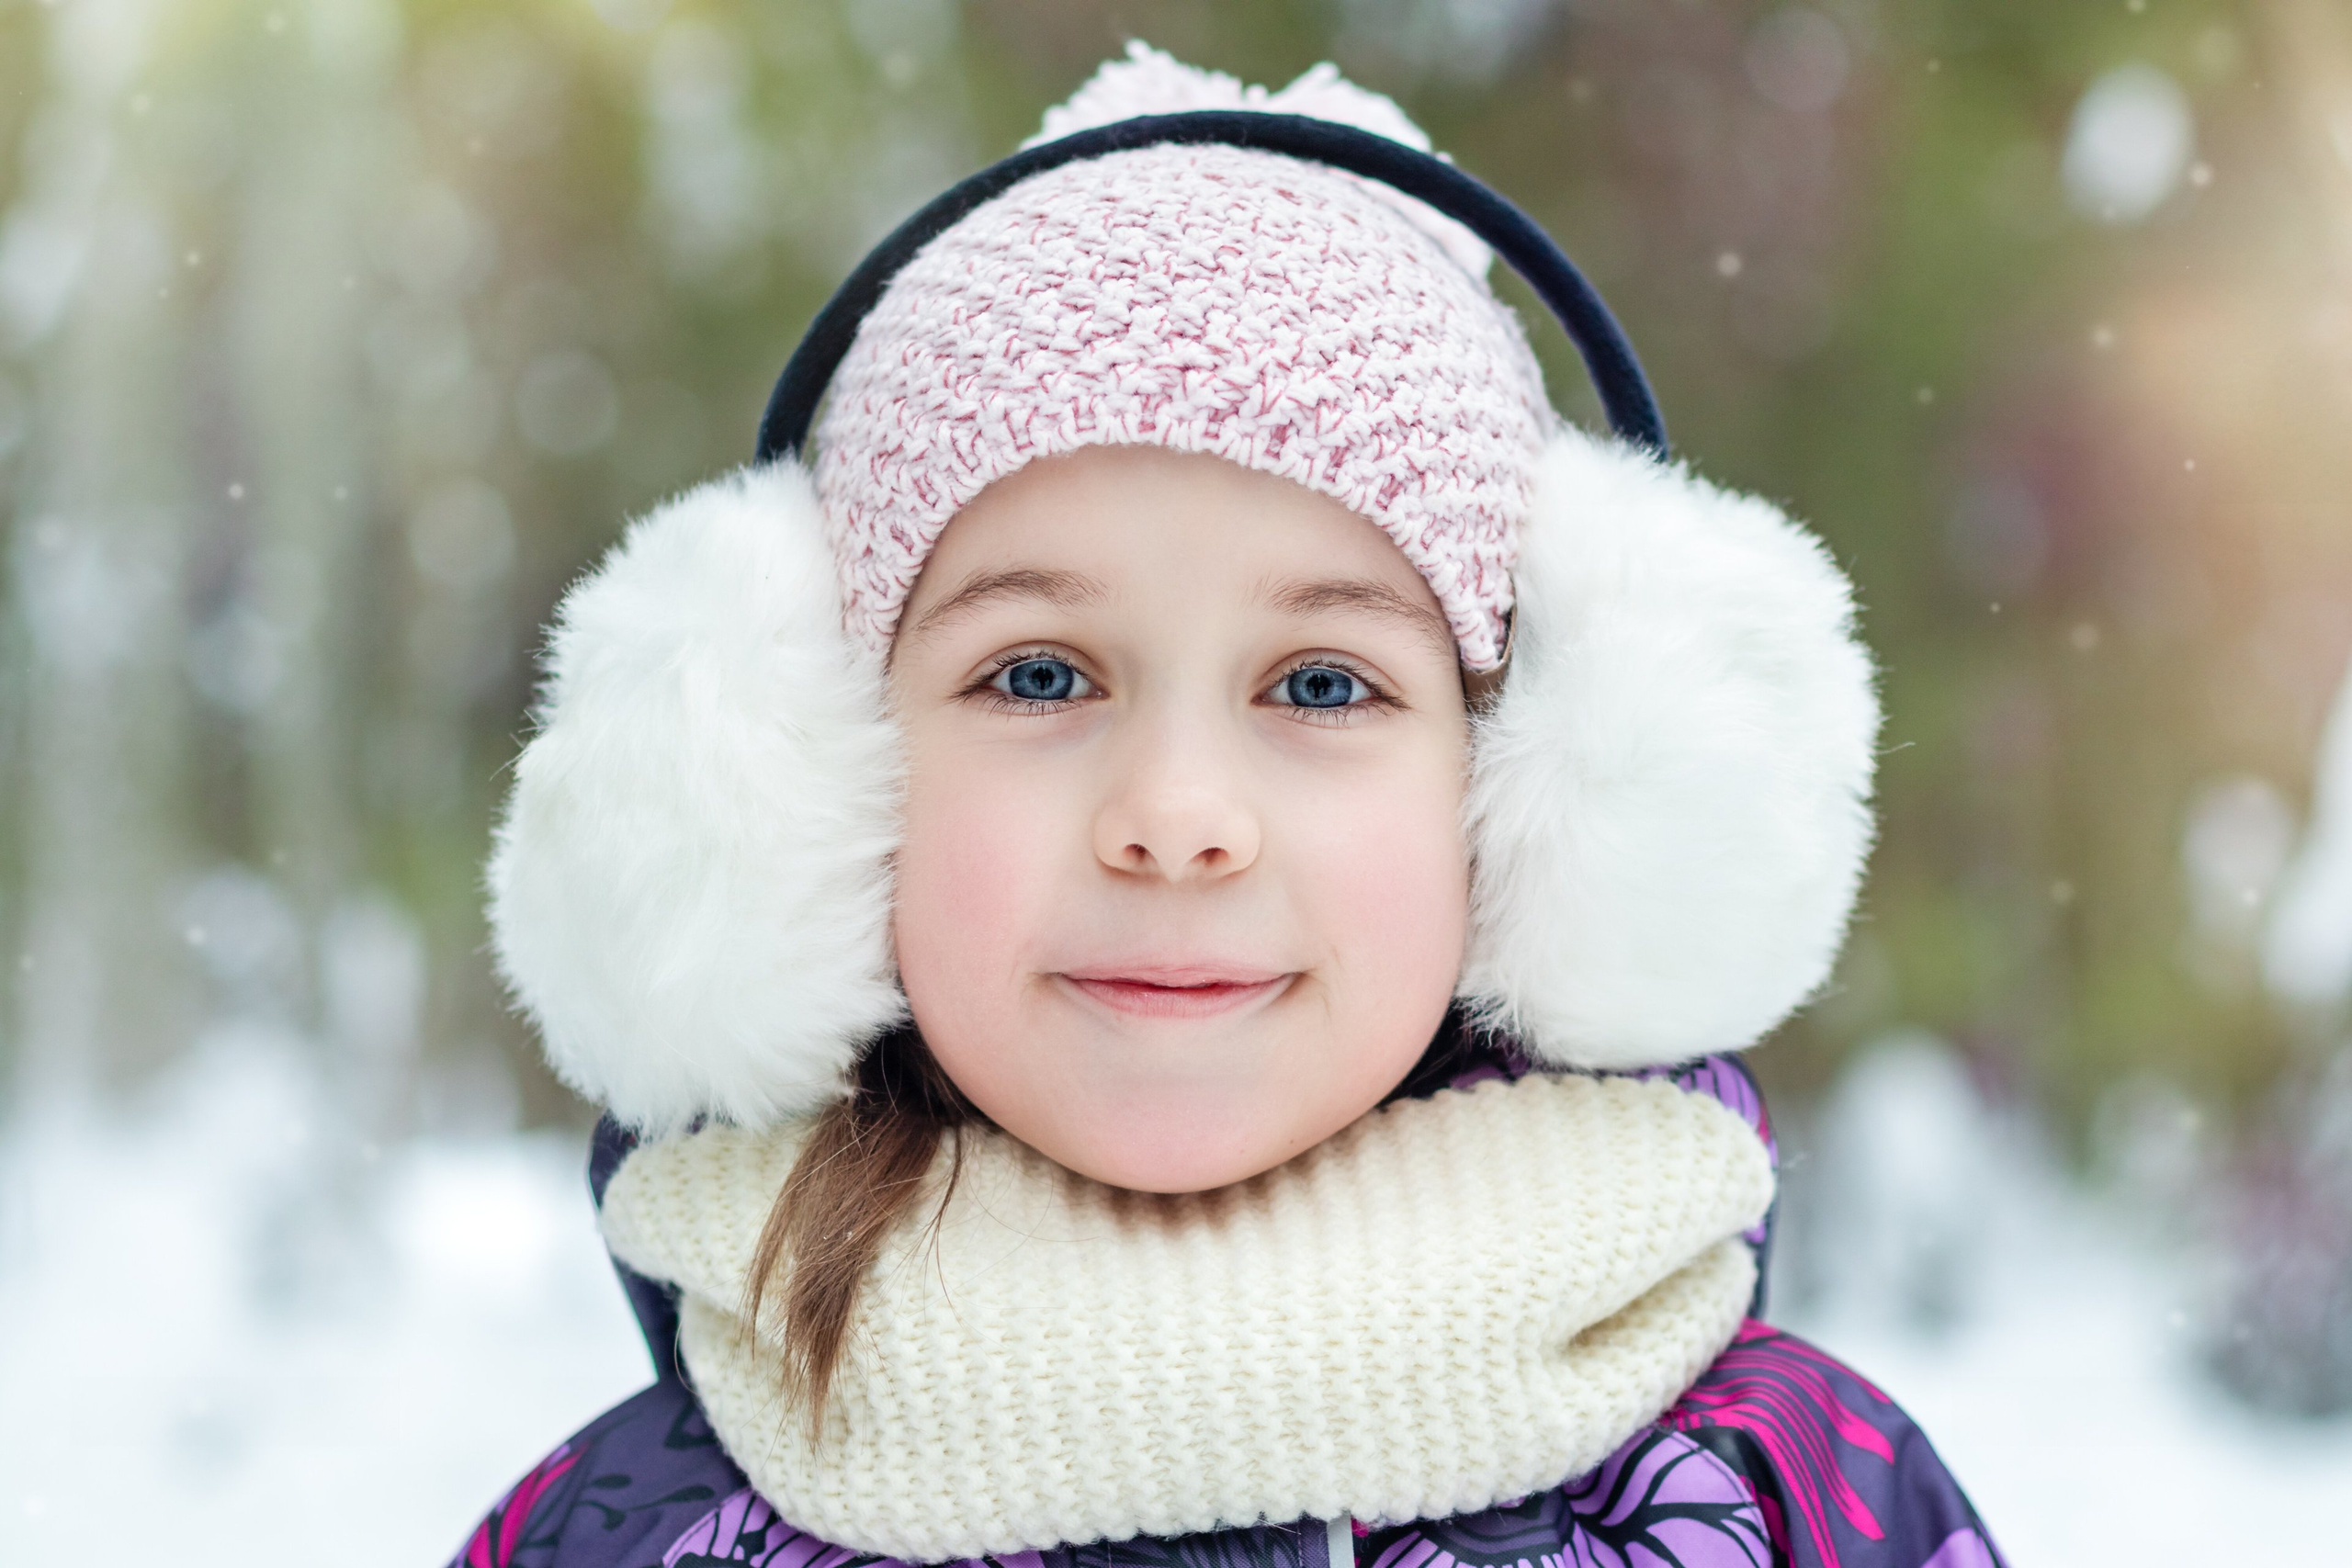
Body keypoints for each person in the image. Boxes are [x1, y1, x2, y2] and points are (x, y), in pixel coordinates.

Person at [456, 45, 2007, 1568]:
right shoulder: (620, 1536)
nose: (1178, 815)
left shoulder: (1798, 1500)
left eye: (1323, 685)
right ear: (794, 779)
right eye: (1040, 676)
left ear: (1532, 788)